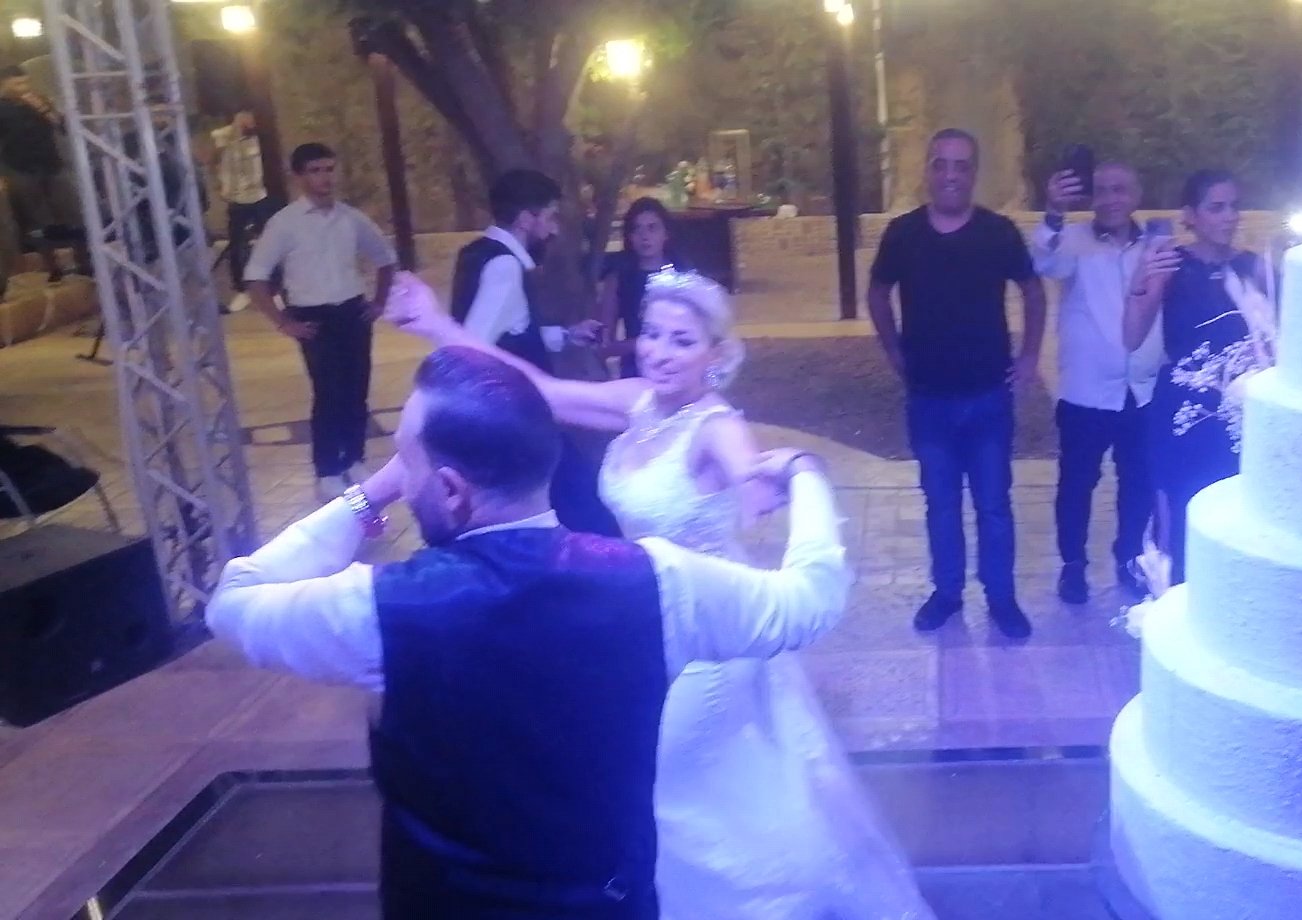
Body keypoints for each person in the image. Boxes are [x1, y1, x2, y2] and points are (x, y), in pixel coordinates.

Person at [207, 343, 853, 919]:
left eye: (406, 460)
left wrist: (366, 497)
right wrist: (805, 474)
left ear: (452, 490)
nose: (403, 477)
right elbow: (810, 600)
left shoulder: (382, 609)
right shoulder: (660, 582)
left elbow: (234, 600)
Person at [386, 271, 932, 919]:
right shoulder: (638, 404)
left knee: (658, 778)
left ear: (715, 355)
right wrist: (438, 326)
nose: (660, 352)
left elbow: (746, 467)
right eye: (651, 335)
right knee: (672, 789)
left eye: (681, 340)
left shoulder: (715, 426)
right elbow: (538, 389)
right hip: (645, 619)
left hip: (708, 640)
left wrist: (761, 481)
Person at [869, 128, 1047, 638]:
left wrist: (1030, 356)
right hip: (928, 400)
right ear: (928, 170)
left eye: (961, 165)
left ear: (974, 173)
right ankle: (947, 594)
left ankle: (1001, 597)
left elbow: (1033, 292)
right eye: (941, 163)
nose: (950, 174)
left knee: (993, 505)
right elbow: (878, 293)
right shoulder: (902, 234)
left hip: (988, 398)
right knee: (941, 504)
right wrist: (893, 350)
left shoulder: (998, 233)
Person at [451, 168, 619, 537]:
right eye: (550, 216)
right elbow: (469, 347)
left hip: (510, 417)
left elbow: (509, 331)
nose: (553, 229)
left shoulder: (476, 253)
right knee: (583, 505)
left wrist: (567, 334)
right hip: (517, 418)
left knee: (565, 504)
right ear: (526, 219)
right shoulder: (506, 267)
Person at [1125, 169, 1267, 585]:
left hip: (1240, 413)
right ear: (1190, 215)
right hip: (1182, 411)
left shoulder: (1254, 267)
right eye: (1216, 207)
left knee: (1237, 514)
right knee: (1180, 508)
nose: (1229, 216)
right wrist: (1142, 281)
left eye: (1234, 206)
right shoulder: (1171, 265)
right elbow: (1131, 336)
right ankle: (1179, 596)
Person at [1032, 161, 1158, 603]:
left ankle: (1129, 558)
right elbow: (1043, 259)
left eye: (1119, 189)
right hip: (1085, 392)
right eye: (1101, 190)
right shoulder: (1072, 240)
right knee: (1076, 484)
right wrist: (1053, 212)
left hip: (1141, 390)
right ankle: (1073, 566)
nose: (1110, 199)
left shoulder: (1156, 245)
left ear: (1136, 194)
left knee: (1137, 483)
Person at [244, 142, 399, 501]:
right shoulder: (285, 224)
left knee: (357, 389)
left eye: (329, 169)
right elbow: (256, 277)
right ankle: (328, 469)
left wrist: (378, 301)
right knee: (328, 393)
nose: (325, 178)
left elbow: (385, 258)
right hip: (313, 317)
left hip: (352, 311)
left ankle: (355, 459)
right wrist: (282, 321)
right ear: (299, 177)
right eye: (315, 171)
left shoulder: (351, 218)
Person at [0, 65, 75, 282]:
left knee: (72, 212)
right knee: (38, 221)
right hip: (21, 169)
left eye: (25, 82)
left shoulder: (40, 100)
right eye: (17, 84)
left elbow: (62, 126)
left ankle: (84, 261)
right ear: (4, 84)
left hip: (52, 165)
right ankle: (52, 267)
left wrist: (42, 108)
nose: (24, 87)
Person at [597, 197, 675, 378]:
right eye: (637, 229)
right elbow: (604, 345)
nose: (644, 236)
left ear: (666, 233)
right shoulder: (619, 278)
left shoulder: (682, 274)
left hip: (678, 369)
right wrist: (643, 343)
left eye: (652, 228)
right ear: (629, 236)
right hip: (636, 372)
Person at [210, 110, 281, 296]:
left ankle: (274, 281)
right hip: (237, 199)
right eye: (247, 120)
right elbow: (215, 151)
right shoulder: (226, 140)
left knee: (269, 239)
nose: (251, 124)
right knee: (237, 242)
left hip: (258, 196)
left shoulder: (256, 139)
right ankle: (240, 284)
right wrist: (234, 131)